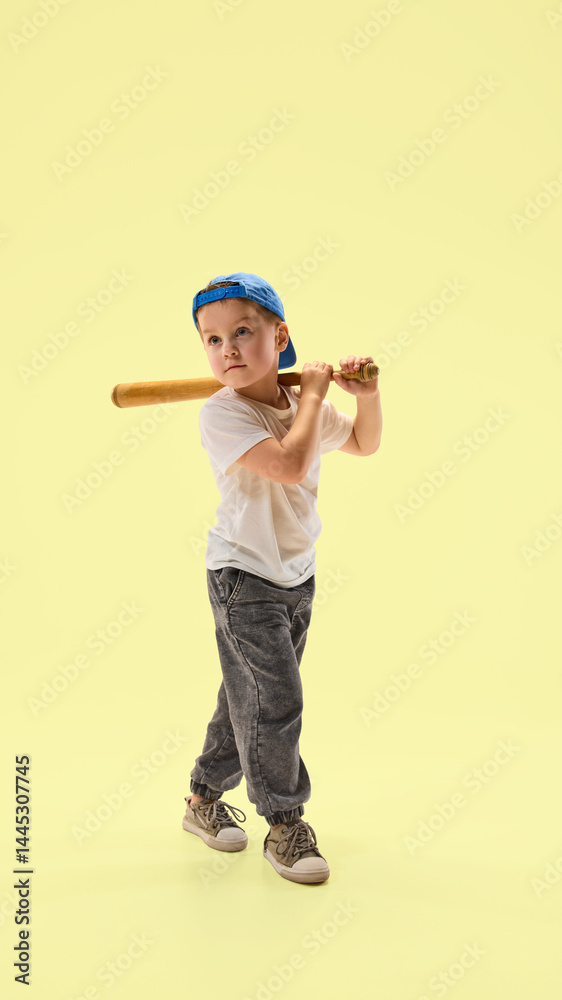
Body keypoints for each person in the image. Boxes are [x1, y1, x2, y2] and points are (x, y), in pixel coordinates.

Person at [182, 272, 382, 884]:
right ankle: (285, 824)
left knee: (247, 694)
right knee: (278, 701)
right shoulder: (223, 414)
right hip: (242, 575)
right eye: (212, 340)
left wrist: (364, 395)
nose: (228, 351)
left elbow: (365, 445)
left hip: (296, 575)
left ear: (281, 335)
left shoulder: (299, 407)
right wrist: (319, 396)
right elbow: (291, 467)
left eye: (242, 331)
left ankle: (202, 799)